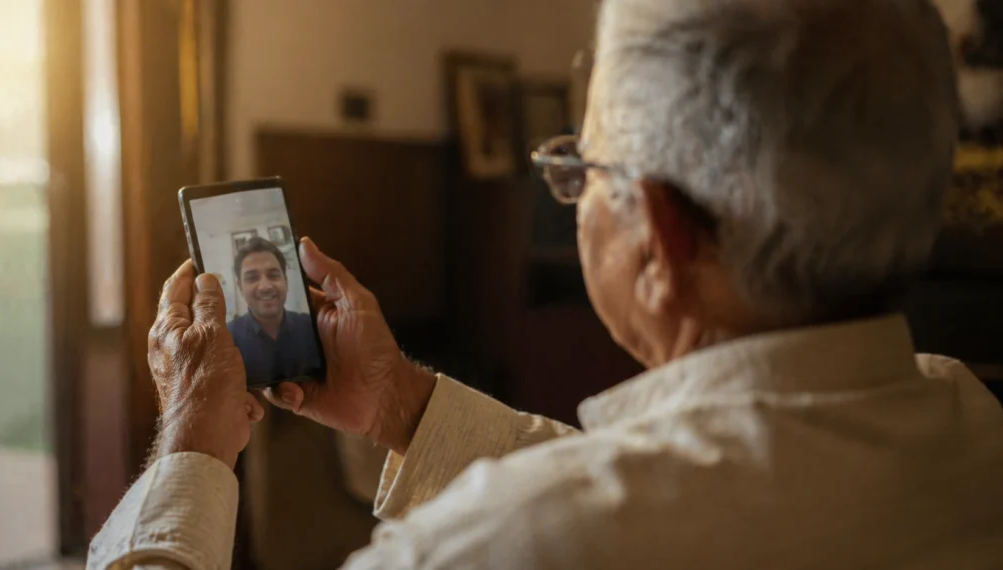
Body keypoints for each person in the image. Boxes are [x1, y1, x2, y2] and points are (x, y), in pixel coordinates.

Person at [90, 0, 1003, 568]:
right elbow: (694, 483)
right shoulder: (972, 424)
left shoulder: (483, 552)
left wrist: (190, 451)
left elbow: (596, 520)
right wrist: (401, 404)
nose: (573, 195)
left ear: (659, 234)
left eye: (578, 167)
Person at [227, 237, 321, 384]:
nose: (265, 286)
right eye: (252, 278)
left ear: (286, 281)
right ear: (240, 287)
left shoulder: (314, 326)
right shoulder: (226, 338)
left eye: (273, 275)